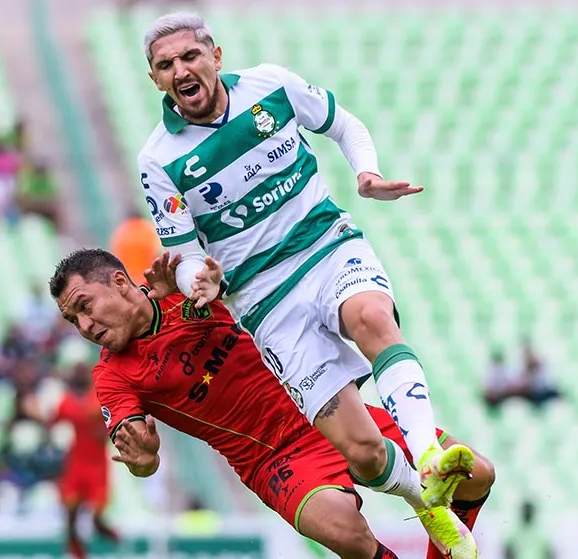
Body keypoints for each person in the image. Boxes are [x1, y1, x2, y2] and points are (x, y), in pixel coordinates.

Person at [135, 11, 471, 511]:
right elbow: (183, 257)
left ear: (215, 56)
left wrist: (366, 174)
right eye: (166, 65)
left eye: (190, 56)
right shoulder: (158, 160)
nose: (181, 70)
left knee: (372, 317)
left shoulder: (271, 86)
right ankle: (427, 501)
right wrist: (196, 281)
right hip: (264, 298)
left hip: (326, 245)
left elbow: (344, 125)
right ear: (155, 78)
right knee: (363, 452)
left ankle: (426, 453)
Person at [49, 249, 495, 559]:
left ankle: (432, 515)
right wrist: (143, 460)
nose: (84, 325)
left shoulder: (185, 285)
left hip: (324, 406)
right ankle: (421, 503)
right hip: (270, 456)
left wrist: (208, 284)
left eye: (85, 306)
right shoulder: (111, 374)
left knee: (478, 475)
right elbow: (139, 455)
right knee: (346, 532)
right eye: (73, 319)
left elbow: (245, 278)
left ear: (120, 282)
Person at [22, 363, 119, 558]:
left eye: (82, 373)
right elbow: (51, 422)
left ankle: (109, 536)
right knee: (71, 513)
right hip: (76, 462)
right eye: (76, 373)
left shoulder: (98, 397)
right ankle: (76, 551)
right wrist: (35, 413)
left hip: (97, 464)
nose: (79, 377)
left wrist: (105, 430)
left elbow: (111, 422)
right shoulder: (68, 402)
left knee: (96, 516)